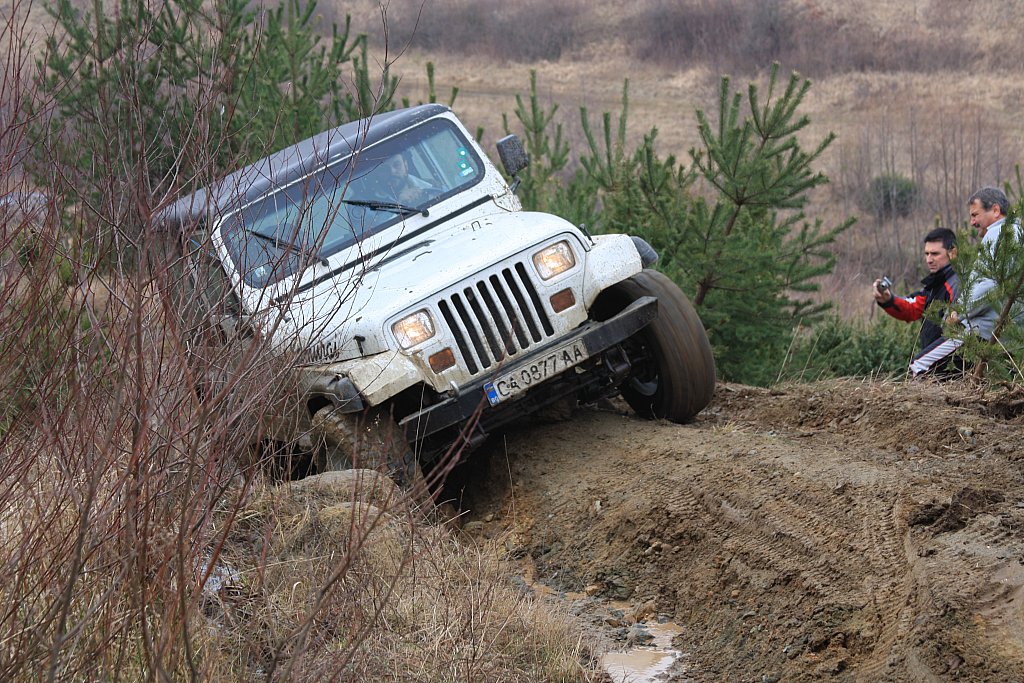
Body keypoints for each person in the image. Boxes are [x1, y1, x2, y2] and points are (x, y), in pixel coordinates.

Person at [873, 227, 961, 376]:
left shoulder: (958, 284)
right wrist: (888, 299)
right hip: (934, 369)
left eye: (935, 254)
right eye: (926, 254)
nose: (929, 259)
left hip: (952, 370)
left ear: (952, 253)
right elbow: (913, 308)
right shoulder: (934, 285)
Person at [948, 186, 1018, 342]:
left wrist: (959, 313)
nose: (972, 222)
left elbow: (990, 284)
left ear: (995, 210)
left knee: (920, 364)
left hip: (984, 332)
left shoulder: (1000, 233)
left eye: (975, 215)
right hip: (1007, 336)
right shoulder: (1015, 233)